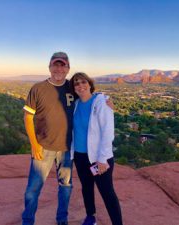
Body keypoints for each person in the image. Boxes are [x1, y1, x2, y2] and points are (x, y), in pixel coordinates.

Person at [22, 52, 74, 225]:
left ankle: (62, 220)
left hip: (66, 148)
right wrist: (34, 144)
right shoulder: (38, 88)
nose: (59, 68)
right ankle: (27, 221)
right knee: (33, 189)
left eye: (63, 65)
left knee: (65, 186)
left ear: (68, 68)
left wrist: (106, 101)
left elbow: (90, 97)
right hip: (43, 147)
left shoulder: (73, 87)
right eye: (55, 64)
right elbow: (28, 117)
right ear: (49, 67)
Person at [70, 72, 123, 225]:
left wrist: (102, 159)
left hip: (98, 158)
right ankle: (90, 217)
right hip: (80, 156)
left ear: (90, 83)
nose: (80, 86)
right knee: (86, 188)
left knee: (107, 192)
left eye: (83, 82)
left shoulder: (101, 102)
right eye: (76, 83)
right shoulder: (75, 104)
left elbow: (108, 132)